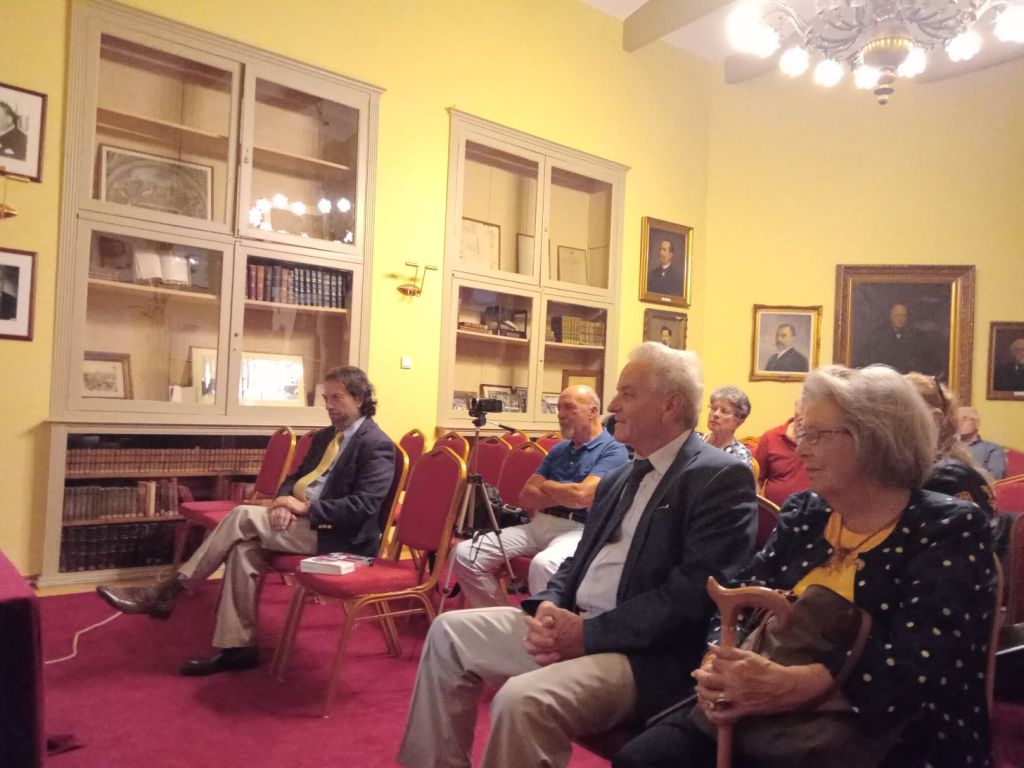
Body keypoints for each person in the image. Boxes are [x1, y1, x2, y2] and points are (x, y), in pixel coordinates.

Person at [614, 364, 996, 768]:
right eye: (803, 431)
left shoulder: (947, 527)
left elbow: (923, 663)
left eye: (817, 435)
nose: (800, 449)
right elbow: (741, 596)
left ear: (877, 439)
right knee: (642, 759)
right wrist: (719, 661)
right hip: (757, 709)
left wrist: (792, 686)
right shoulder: (807, 513)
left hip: (880, 727)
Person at [397, 343, 757, 768]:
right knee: (448, 633)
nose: (614, 405)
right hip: (579, 625)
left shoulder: (717, 476)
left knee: (520, 699)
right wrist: (548, 605)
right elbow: (577, 560)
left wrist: (587, 634)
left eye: (627, 393)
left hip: (644, 656)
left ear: (670, 405)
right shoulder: (621, 476)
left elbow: (689, 598)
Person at [95, 365, 396, 675]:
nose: (329, 405)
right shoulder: (324, 437)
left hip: (339, 536)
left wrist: (304, 508)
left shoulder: (377, 445)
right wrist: (282, 502)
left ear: (359, 399)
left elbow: (364, 506)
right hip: (302, 522)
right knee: (243, 550)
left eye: (336, 398)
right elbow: (292, 478)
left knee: (241, 515)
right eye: (326, 398)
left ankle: (171, 590)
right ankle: (238, 648)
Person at [452, 385, 628, 607]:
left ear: (593, 411)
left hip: (578, 529)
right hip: (539, 523)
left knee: (544, 564)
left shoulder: (613, 450)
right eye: (558, 408)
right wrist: (567, 492)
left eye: (569, 407)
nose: (560, 414)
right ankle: (503, 616)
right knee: (465, 554)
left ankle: (544, 625)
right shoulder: (560, 449)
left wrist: (548, 486)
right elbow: (526, 496)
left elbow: (582, 497)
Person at [753, 400, 809, 506]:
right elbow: (756, 480)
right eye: (801, 410)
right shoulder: (771, 437)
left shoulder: (824, 441)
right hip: (774, 512)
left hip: (812, 512)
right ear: (795, 410)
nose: (804, 418)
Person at [856, 302, 937, 375]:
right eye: (896, 315)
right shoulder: (878, 336)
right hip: (886, 378)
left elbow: (923, 361)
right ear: (890, 317)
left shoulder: (917, 336)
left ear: (907, 318)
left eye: (903, 315)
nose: (900, 319)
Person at [699, 385, 752, 468]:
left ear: (738, 422)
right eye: (714, 408)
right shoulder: (695, 440)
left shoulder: (739, 456)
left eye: (724, 411)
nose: (716, 414)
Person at [957, 405, 1007, 480]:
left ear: (977, 424)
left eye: (964, 419)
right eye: (956, 420)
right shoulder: (948, 447)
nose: (959, 423)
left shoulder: (992, 449)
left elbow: (995, 478)